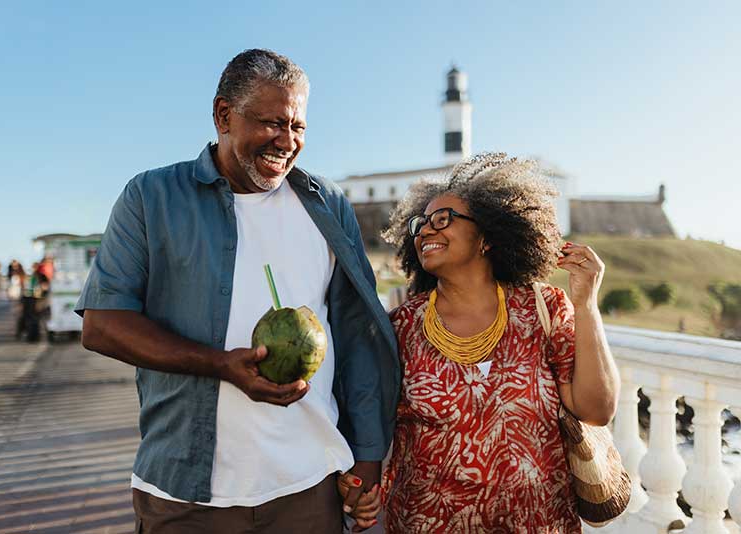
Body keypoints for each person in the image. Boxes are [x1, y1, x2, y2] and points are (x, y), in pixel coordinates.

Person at [76, 48, 399, 533]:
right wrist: (219, 365)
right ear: (223, 115)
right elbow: (103, 325)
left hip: (308, 483)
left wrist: (368, 454)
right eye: (271, 122)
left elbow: (355, 336)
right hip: (185, 494)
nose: (286, 141)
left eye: (299, 127)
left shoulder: (328, 205)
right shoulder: (151, 197)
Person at [364, 154, 620, 533]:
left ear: (485, 237)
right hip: (427, 523)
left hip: (539, 522)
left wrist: (586, 305)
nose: (425, 231)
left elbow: (597, 410)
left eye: (442, 219)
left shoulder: (540, 308)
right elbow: (371, 417)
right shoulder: (402, 326)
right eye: (420, 223)